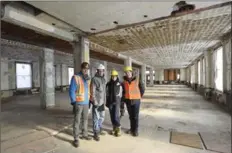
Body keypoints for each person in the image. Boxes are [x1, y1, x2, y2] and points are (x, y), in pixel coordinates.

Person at [69, 62, 92, 148]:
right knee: (77, 121)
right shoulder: (76, 77)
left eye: (87, 69)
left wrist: (90, 101)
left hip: (86, 103)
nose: (86, 70)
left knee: (85, 120)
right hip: (78, 103)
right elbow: (71, 90)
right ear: (81, 68)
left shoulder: (88, 78)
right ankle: (76, 138)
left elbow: (88, 90)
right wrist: (73, 102)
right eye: (84, 68)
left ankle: (85, 134)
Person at [122, 66, 145, 137]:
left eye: (129, 72)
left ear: (131, 72)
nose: (128, 73)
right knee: (131, 116)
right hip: (128, 100)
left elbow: (142, 89)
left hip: (136, 101)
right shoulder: (124, 82)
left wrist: (139, 96)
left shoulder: (137, 80)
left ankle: (135, 130)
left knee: (135, 116)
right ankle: (131, 129)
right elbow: (123, 91)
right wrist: (124, 99)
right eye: (126, 72)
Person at [90, 63, 106, 141]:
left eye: (102, 71)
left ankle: (99, 127)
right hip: (96, 102)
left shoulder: (103, 79)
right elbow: (92, 91)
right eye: (99, 71)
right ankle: (96, 132)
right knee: (96, 118)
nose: (100, 72)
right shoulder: (94, 79)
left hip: (102, 102)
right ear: (97, 71)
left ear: (103, 71)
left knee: (102, 117)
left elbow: (104, 92)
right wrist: (94, 101)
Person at [106, 70, 123, 137]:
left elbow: (121, 95)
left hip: (117, 102)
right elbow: (107, 94)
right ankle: (114, 128)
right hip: (110, 102)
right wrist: (107, 102)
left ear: (117, 76)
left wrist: (121, 104)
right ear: (111, 76)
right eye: (112, 76)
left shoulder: (119, 84)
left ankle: (118, 129)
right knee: (112, 116)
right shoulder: (108, 84)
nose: (113, 77)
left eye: (115, 76)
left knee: (116, 116)